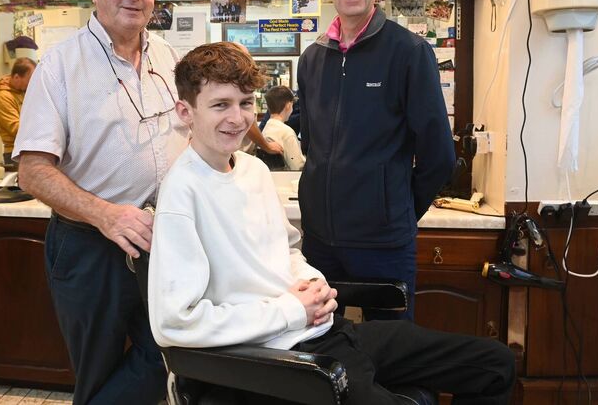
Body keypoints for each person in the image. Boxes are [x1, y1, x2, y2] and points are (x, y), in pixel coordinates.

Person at [148, 42, 514, 405]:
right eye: (220, 105)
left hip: (325, 331)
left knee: (495, 365)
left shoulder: (253, 170)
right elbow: (175, 322)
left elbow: (287, 249)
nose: (237, 118)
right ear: (185, 111)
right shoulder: (183, 193)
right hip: (278, 358)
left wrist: (313, 284)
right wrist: (290, 310)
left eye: (245, 103)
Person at [13, 0, 189, 405]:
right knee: (98, 368)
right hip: (89, 245)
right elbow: (32, 171)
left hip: (161, 241)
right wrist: (106, 215)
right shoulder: (60, 65)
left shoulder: (169, 58)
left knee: (172, 352)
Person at [297, 0, 456, 320]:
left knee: (390, 356)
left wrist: (394, 211)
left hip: (383, 247)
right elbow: (310, 143)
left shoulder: (410, 53)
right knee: (319, 353)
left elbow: (439, 156)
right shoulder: (312, 59)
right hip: (319, 243)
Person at [0, 55, 36, 165]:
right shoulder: (2, 97)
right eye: (30, 80)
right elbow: (16, 128)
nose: (32, 83)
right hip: (16, 154)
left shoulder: (22, 92)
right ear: (16, 77)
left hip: (29, 149)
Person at [262, 85, 305, 170]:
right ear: (289, 105)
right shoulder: (287, 133)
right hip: (287, 179)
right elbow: (297, 166)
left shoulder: (266, 128)